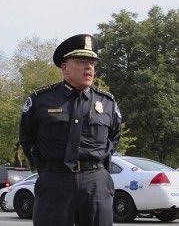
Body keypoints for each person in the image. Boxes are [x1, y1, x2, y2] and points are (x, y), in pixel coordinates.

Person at [19, 34, 121, 226]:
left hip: (95, 183)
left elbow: (114, 138)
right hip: (55, 181)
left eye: (92, 62)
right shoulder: (41, 100)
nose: (89, 67)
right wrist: (47, 171)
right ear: (65, 67)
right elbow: (27, 138)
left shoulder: (107, 102)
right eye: (82, 61)